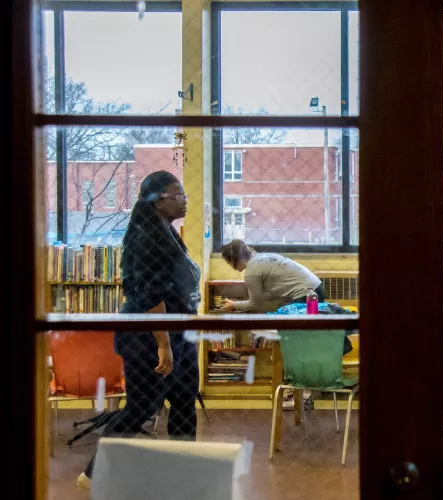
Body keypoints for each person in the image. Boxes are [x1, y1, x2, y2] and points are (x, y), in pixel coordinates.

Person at [78, 171, 200, 491]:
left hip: (179, 334)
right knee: (142, 407)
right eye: (179, 196)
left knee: (184, 401)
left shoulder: (165, 231)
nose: (184, 201)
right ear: (159, 200)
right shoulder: (146, 237)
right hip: (150, 338)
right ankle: (92, 474)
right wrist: (164, 344)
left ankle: (185, 472)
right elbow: (149, 296)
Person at [219, 239, 324, 313]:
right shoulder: (265, 257)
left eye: (229, 263)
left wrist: (234, 305)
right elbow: (276, 290)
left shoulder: (251, 272)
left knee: (298, 333)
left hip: (303, 295)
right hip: (316, 288)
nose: (231, 267)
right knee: (310, 331)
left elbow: (256, 304)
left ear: (234, 259)